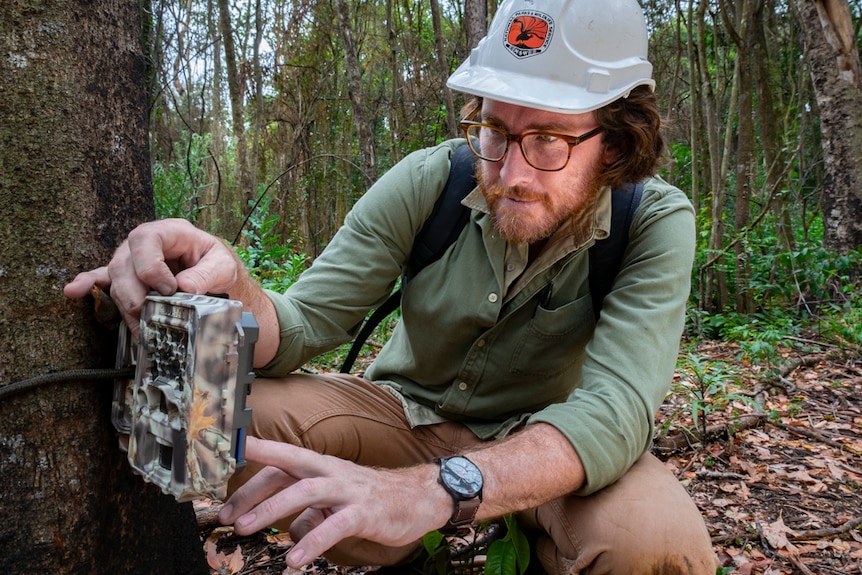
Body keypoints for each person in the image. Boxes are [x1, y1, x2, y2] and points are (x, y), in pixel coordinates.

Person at [65, 0, 719, 572]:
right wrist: (222, 278)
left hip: (554, 446)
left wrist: (435, 490)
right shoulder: (432, 180)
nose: (512, 170)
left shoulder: (653, 222)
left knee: (655, 547)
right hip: (407, 415)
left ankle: (521, 534)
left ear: (616, 140)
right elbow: (300, 326)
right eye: (496, 130)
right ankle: (393, 534)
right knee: (209, 409)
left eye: (547, 138)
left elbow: (615, 411)